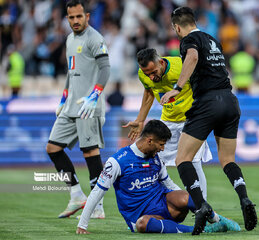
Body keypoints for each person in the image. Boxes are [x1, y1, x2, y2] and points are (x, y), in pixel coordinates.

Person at [160, 6, 257, 235]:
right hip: (230, 100)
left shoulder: (189, 40)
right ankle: (244, 198)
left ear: (177, 27)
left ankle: (201, 205)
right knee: (228, 160)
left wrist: (177, 88)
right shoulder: (212, 39)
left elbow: (192, 56)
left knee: (183, 158)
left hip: (208, 102)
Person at [76, 120, 241, 234]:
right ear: (149, 140)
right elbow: (97, 192)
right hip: (141, 215)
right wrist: (82, 225)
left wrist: (188, 201)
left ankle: (218, 220)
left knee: (186, 195)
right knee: (142, 224)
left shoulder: (155, 158)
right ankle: (203, 230)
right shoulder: (117, 161)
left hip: (164, 205)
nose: (162, 149)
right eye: (161, 144)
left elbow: (168, 183)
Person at [45, 0, 110, 219]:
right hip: (71, 106)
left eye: (79, 16)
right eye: (71, 17)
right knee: (53, 148)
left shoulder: (95, 38)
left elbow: (105, 69)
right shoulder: (69, 39)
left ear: (87, 17)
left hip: (88, 107)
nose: (75, 21)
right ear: (67, 18)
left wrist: (95, 95)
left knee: (90, 152)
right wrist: (63, 98)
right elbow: (71, 71)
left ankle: (97, 205)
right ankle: (76, 195)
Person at [122, 48, 212, 200]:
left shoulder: (181, 66)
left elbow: (203, 87)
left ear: (161, 62)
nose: (151, 77)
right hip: (168, 120)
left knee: (193, 162)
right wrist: (140, 120)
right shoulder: (143, 74)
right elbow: (149, 93)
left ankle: (201, 206)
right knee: (155, 160)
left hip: (191, 120)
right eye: (147, 74)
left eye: (153, 72)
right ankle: (173, 197)